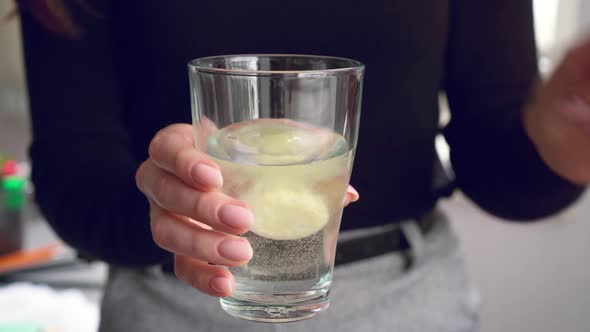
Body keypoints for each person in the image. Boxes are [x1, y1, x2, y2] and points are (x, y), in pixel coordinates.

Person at [17, 1, 589, 331]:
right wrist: (165, 203)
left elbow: (497, 153)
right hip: (168, 305)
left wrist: (564, 137)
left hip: (403, 302)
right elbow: (76, 176)